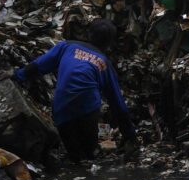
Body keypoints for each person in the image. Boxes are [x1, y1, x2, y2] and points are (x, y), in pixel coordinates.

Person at [12, 19, 138, 163]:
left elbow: (38, 66)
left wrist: (16, 75)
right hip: (87, 111)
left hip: (62, 109)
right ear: (109, 43)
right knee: (89, 155)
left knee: (74, 156)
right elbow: (117, 103)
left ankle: (75, 159)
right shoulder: (104, 63)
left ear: (88, 34)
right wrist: (130, 136)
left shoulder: (67, 46)